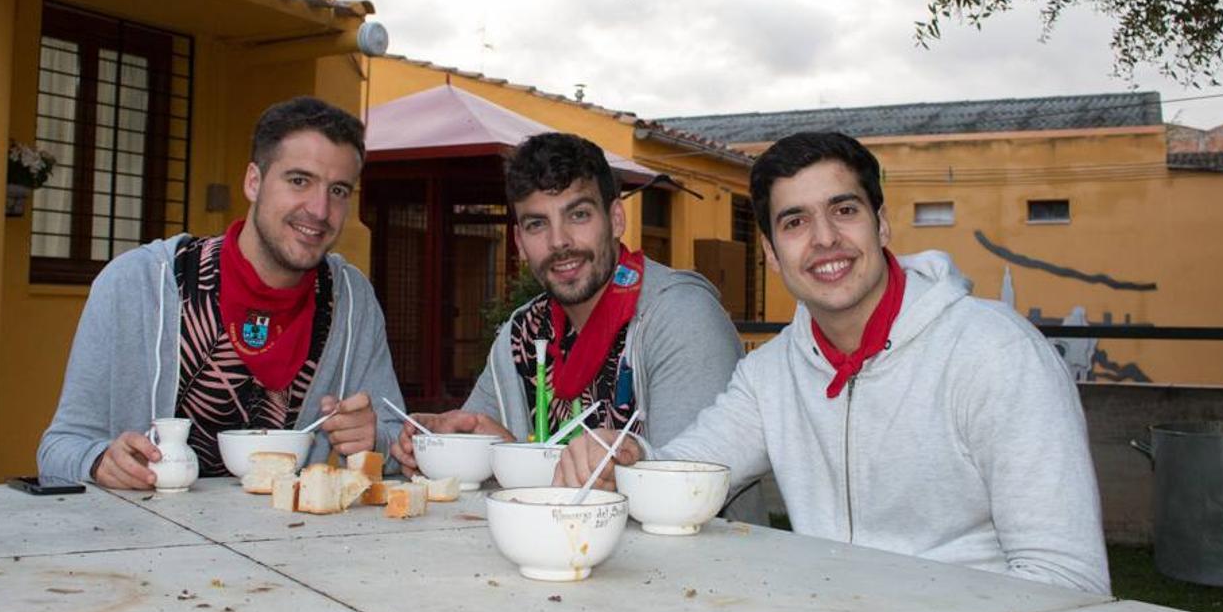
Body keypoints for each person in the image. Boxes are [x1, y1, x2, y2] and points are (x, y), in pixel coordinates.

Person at [555, 131, 1110, 594]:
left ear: (882, 224)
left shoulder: (996, 354)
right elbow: (681, 477)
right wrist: (625, 454)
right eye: (795, 222)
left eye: (844, 210)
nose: (824, 240)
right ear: (771, 254)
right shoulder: (770, 374)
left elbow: (1068, 580)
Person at [390, 132, 764, 521]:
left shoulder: (680, 317)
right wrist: (442, 441)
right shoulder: (522, 335)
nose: (559, 242)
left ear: (616, 218)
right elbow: (479, 462)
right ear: (519, 239)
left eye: (578, 215)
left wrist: (522, 462)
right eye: (537, 224)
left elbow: (686, 488)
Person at [38, 96, 405, 489]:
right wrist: (98, 462)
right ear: (253, 181)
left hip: (287, 542)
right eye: (299, 180)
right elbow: (58, 449)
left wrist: (375, 440)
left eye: (338, 191)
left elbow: (398, 442)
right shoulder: (136, 283)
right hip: (145, 543)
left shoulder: (352, 302)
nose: (319, 209)